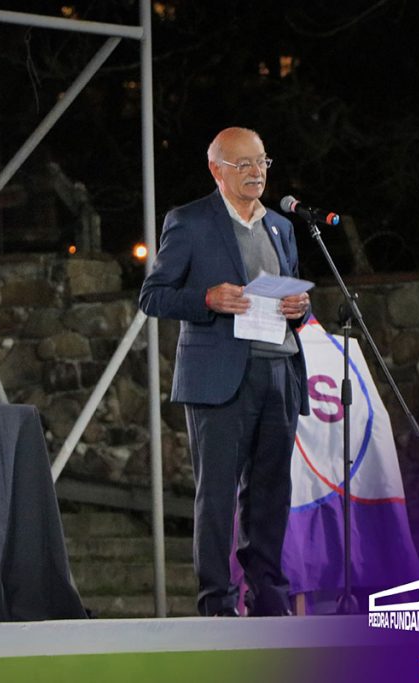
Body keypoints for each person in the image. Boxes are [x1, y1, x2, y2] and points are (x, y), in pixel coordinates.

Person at [139, 127, 311, 617]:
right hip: (219, 380)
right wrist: (207, 299)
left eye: (262, 162)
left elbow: (293, 298)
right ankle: (217, 601)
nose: (256, 172)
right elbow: (153, 296)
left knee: (271, 492)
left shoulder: (280, 226)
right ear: (217, 170)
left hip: (279, 370)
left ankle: (268, 596)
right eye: (243, 164)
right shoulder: (190, 222)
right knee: (216, 495)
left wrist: (299, 308)